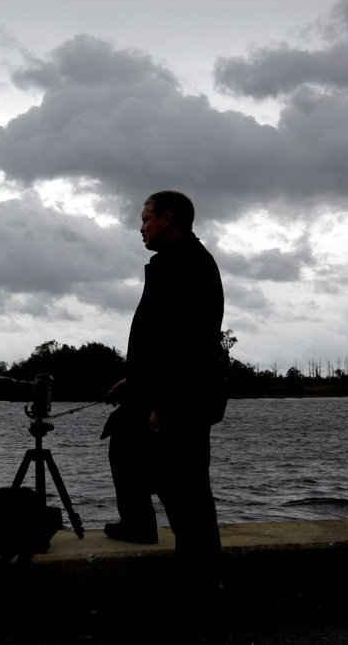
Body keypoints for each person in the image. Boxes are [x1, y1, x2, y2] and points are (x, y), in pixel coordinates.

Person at [102, 189, 227, 588]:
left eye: (145, 219)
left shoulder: (188, 265)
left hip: (181, 397)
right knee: (123, 437)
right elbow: (163, 339)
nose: (141, 227)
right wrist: (136, 380)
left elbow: (188, 343)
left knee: (185, 491)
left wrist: (165, 405)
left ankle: (201, 580)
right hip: (162, 388)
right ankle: (139, 524)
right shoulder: (175, 262)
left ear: (167, 219)